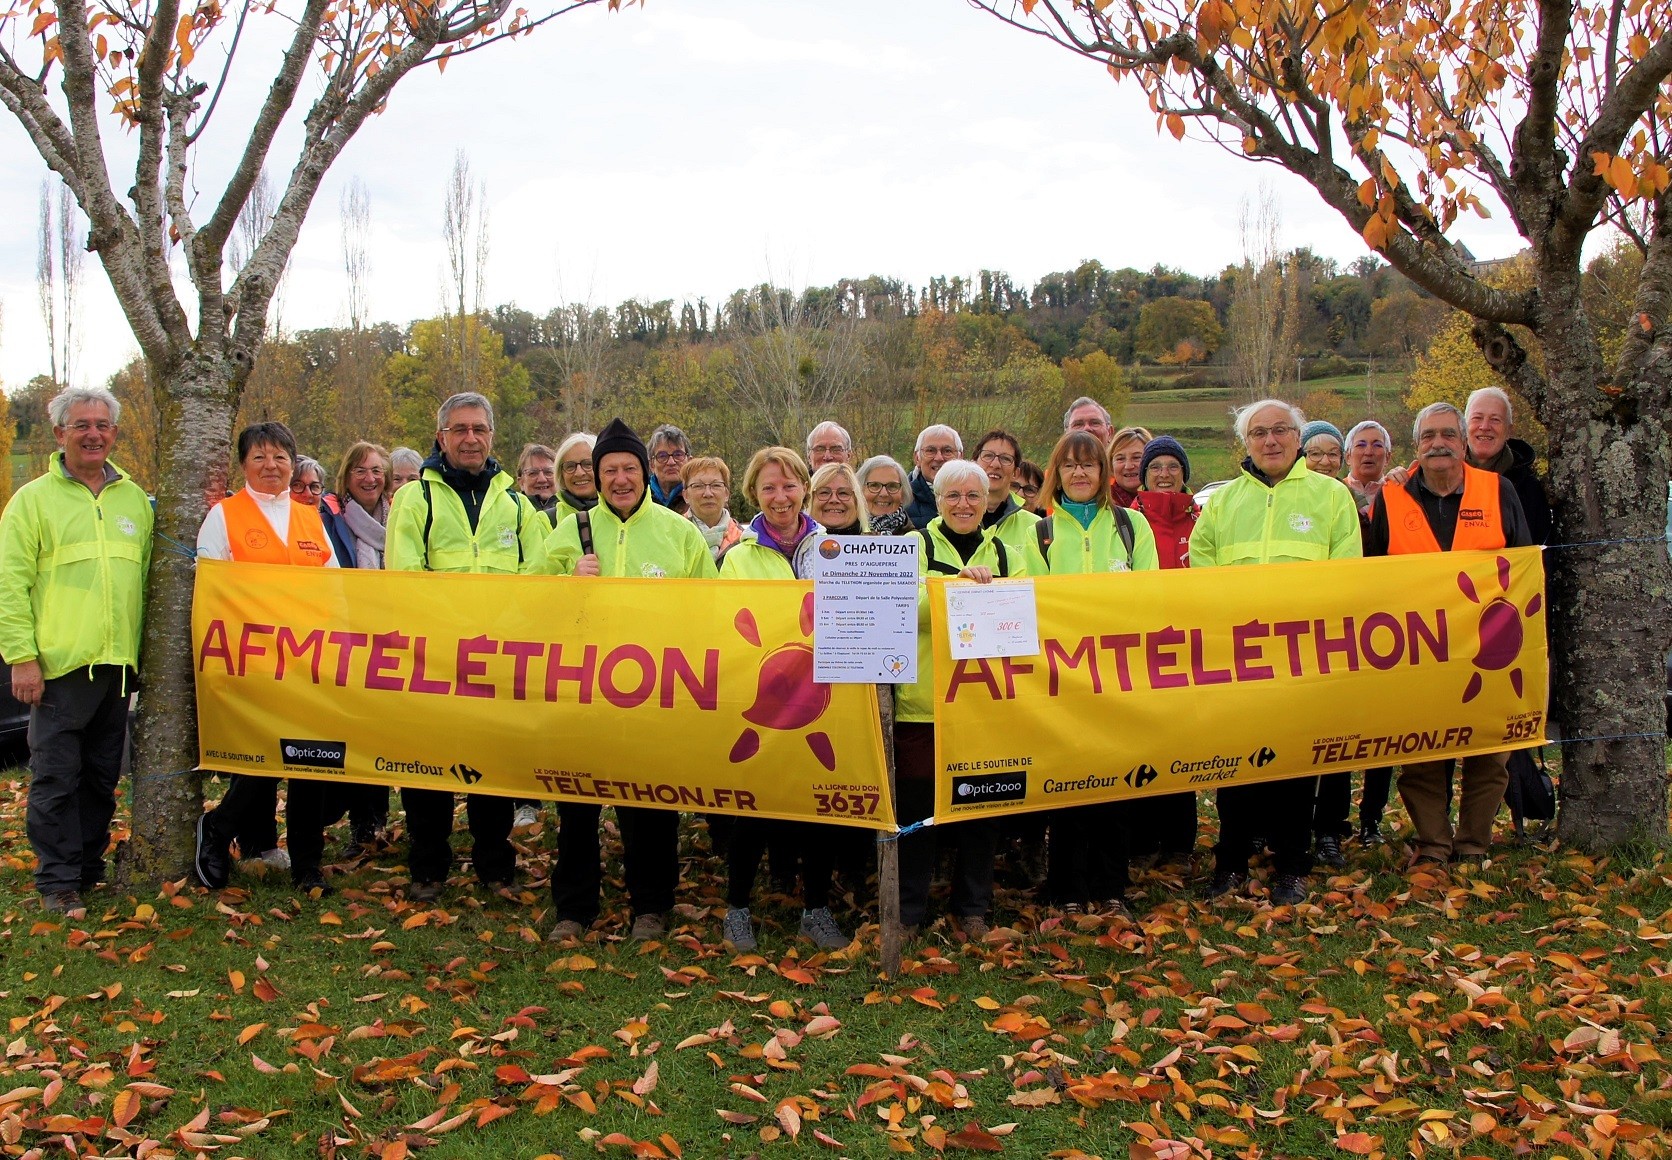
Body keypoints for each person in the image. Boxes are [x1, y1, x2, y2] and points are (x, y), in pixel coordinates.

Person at [543, 419, 718, 942]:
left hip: (653, 694)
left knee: (650, 804)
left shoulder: (677, 531)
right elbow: (530, 603)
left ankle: (651, 905)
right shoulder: (567, 531)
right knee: (576, 805)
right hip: (582, 691)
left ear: (645, 473)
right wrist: (567, 584)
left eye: (630, 469)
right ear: (596, 477)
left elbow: (707, 607)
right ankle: (574, 906)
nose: (621, 479)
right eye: (610, 470)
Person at [1190, 399, 1362, 906]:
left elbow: (1347, 575)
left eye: (1280, 431)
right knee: (1234, 768)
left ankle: (1293, 866)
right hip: (1238, 660)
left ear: (1298, 438)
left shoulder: (1331, 497)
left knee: (1295, 769)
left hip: (1303, 658)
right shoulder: (1221, 503)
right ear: (1245, 443)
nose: (1270, 441)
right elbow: (1200, 571)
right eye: (1259, 433)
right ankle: (1230, 864)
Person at [385, 393, 547, 903]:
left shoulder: (516, 504)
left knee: (491, 769)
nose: (470, 438)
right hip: (432, 659)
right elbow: (404, 576)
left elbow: (536, 579)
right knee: (428, 769)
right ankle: (428, 868)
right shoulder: (416, 500)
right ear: (441, 437)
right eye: (459, 429)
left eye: (478, 428)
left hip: (495, 661)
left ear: (492, 436)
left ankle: (494, 867)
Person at [0, 387, 153, 918]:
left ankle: (88, 869)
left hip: (116, 669)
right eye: (81, 424)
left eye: (102, 425)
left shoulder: (134, 499)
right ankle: (58, 882)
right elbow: (10, 584)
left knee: (101, 781)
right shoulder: (33, 501)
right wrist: (22, 657)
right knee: (54, 780)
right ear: (59, 433)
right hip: (58, 669)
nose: (93, 434)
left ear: (114, 433)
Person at [1365, 402, 1533, 865]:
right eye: (1428, 436)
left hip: (1489, 648)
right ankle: (1435, 846)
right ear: (1417, 445)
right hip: (1416, 651)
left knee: (1488, 757)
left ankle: (1474, 846)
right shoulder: (1391, 497)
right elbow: (1372, 573)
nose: (1438, 444)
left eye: (1447, 435)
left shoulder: (1498, 491)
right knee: (1420, 755)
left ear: (1463, 443)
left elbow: (1524, 565)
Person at [193, 422, 340, 897]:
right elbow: (210, 587)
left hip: (308, 659)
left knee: (312, 760)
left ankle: (307, 864)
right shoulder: (224, 516)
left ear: (293, 463)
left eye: (280, 457)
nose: (271, 466)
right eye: (259, 458)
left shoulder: (308, 517)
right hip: (252, 659)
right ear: (243, 465)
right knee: (265, 756)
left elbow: (334, 584)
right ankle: (218, 829)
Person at [716, 448, 852, 952]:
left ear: (805, 490)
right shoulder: (738, 558)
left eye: (790, 485)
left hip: (826, 697)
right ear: (754, 493)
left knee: (819, 806)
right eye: (769, 487)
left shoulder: (835, 549)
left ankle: (815, 910)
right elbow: (726, 627)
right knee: (752, 806)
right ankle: (738, 910)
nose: (781, 496)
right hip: (762, 699)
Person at [1022, 432, 1160, 915]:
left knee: (1116, 786)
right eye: (1069, 466)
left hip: (1119, 678)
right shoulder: (1035, 532)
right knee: (1066, 786)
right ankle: (1066, 889)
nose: (1079, 474)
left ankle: (1111, 888)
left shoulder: (1132, 526)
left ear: (1103, 473)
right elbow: (1027, 604)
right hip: (1061, 679)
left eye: (1089, 465)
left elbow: (1149, 597)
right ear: (1055, 473)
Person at [895, 459, 1028, 941]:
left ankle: (972, 908)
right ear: (936, 495)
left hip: (985, 703)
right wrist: (960, 591)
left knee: (981, 811)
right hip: (922, 703)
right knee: (915, 816)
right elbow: (901, 609)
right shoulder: (913, 547)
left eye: (974, 495)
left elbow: (1026, 613)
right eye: (953, 495)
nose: (964, 504)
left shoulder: (1012, 552)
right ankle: (908, 912)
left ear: (988, 498)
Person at [1127, 434, 1200, 864]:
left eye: (1173, 467)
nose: (1164, 475)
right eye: (1156, 468)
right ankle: (1141, 840)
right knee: (1142, 745)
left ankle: (1178, 843)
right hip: (1140, 648)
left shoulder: (1202, 518)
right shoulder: (1128, 519)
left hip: (1189, 648)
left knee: (1183, 746)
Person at [318, 440, 395, 847]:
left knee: (379, 731)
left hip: (390, 639)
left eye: (377, 471)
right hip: (346, 637)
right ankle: (348, 817)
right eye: (361, 471)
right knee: (350, 731)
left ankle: (373, 821)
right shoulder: (330, 519)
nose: (370, 478)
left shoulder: (399, 518)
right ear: (346, 477)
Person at [1465, 387, 1550, 544]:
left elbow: (1538, 556)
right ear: (1463, 426)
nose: (1484, 426)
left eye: (1495, 420)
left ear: (1509, 431)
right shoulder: (1437, 480)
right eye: (1477, 418)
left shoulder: (1529, 490)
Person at [973, 429, 1040, 553]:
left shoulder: (1036, 527)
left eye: (1005, 459)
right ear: (973, 464)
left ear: (1015, 472)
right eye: (988, 455)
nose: (995, 464)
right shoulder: (953, 521)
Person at [683, 455, 744, 562]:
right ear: (686, 495)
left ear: (726, 494)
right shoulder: (673, 535)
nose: (708, 493)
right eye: (698, 486)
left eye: (716, 485)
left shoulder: (744, 539)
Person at [904, 425, 961, 530]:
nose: (939, 457)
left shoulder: (976, 497)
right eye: (930, 450)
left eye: (947, 451)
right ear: (917, 458)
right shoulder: (901, 500)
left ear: (959, 457)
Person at [1343, 421, 1392, 515]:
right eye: (1360, 445)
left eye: (1377, 445)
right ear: (1348, 457)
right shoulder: (1336, 491)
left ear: (1387, 457)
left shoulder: (1398, 492)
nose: (1368, 452)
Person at [857, 455, 913, 535]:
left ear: (903, 493)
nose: (884, 494)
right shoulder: (845, 536)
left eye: (892, 486)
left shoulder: (917, 541)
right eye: (874, 485)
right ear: (860, 490)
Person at [808, 462, 867, 535]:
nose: (834, 500)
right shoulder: (794, 545)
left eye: (843, 493)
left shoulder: (878, 543)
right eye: (824, 493)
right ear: (810, 500)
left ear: (857, 501)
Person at [553, 432, 599, 526]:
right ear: (561, 474)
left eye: (588, 464)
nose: (579, 473)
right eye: (570, 466)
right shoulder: (546, 520)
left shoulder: (624, 516)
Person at [647, 424, 692, 515]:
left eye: (678, 454)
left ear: (690, 462)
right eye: (662, 456)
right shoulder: (639, 498)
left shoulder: (701, 496)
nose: (671, 462)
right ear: (652, 464)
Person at [516, 444, 561, 526]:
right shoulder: (512, 514)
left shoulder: (572, 512)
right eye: (533, 473)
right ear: (521, 482)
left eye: (548, 472)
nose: (542, 479)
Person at [1108, 426, 1153, 508]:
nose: (1128, 466)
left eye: (1136, 457)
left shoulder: (1166, 500)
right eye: (1120, 459)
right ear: (1111, 465)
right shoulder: (1102, 503)